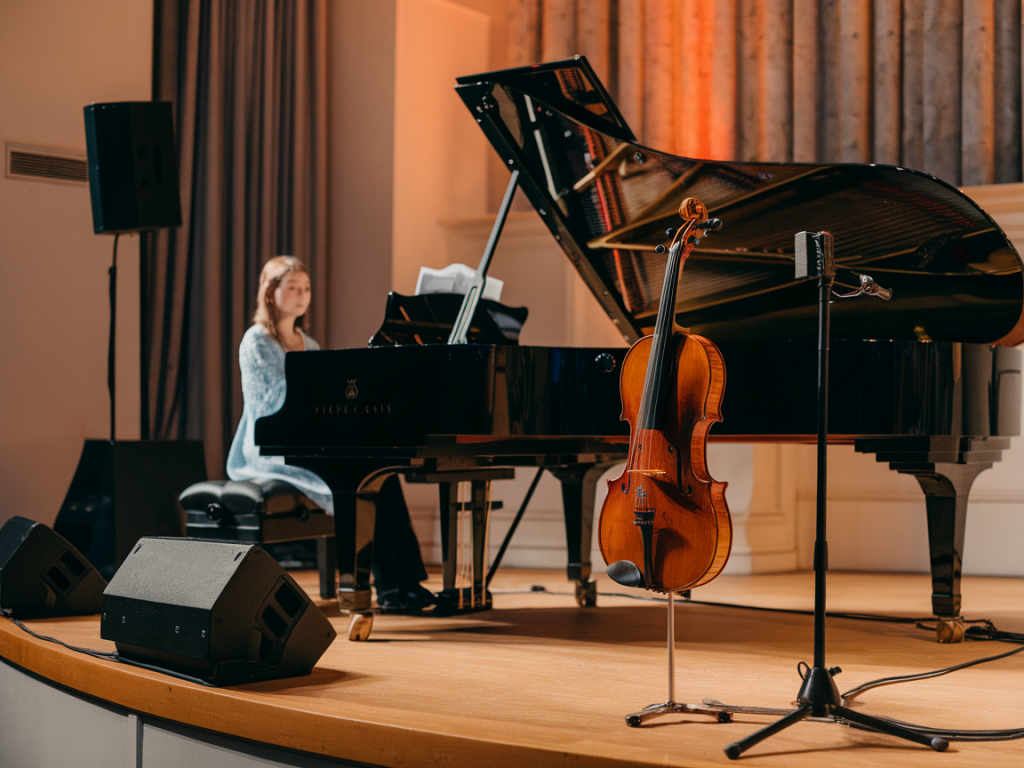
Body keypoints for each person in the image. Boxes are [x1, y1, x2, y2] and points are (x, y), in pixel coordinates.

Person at [227, 255, 433, 612]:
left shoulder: (309, 344)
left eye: (305, 288)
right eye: (292, 287)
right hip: (268, 448)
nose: (301, 295)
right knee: (357, 477)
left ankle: (403, 581)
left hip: (306, 440)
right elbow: (268, 405)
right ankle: (387, 586)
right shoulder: (256, 341)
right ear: (270, 292)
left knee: (379, 472)